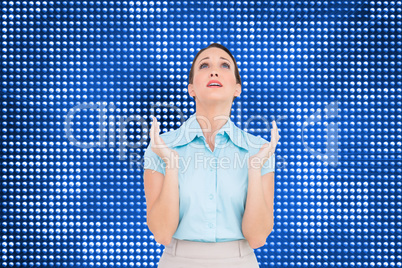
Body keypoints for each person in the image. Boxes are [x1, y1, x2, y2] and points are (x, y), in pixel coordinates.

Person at [143, 43, 280, 267]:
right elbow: (162, 234)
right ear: (191, 89)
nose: (214, 70)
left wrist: (255, 168)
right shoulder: (161, 146)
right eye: (204, 65)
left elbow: (257, 238)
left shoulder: (259, 149)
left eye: (224, 65)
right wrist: (171, 163)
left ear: (237, 88)